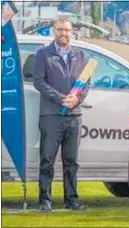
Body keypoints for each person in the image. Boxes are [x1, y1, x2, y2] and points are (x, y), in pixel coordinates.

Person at [33, 18, 89, 212]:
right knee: (47, 159)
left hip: (74, 116)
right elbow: (39, 82)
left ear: (72, 32)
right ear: (54, 31)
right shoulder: (43, 54)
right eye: (60, 30)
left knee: (71, 161)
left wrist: (76, 100)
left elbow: (86, 84)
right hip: (51, 115)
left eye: (67, 30)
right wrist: (61, 98)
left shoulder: (80, 55)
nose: (63, 33)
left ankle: (72, 200)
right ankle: (45, 200)